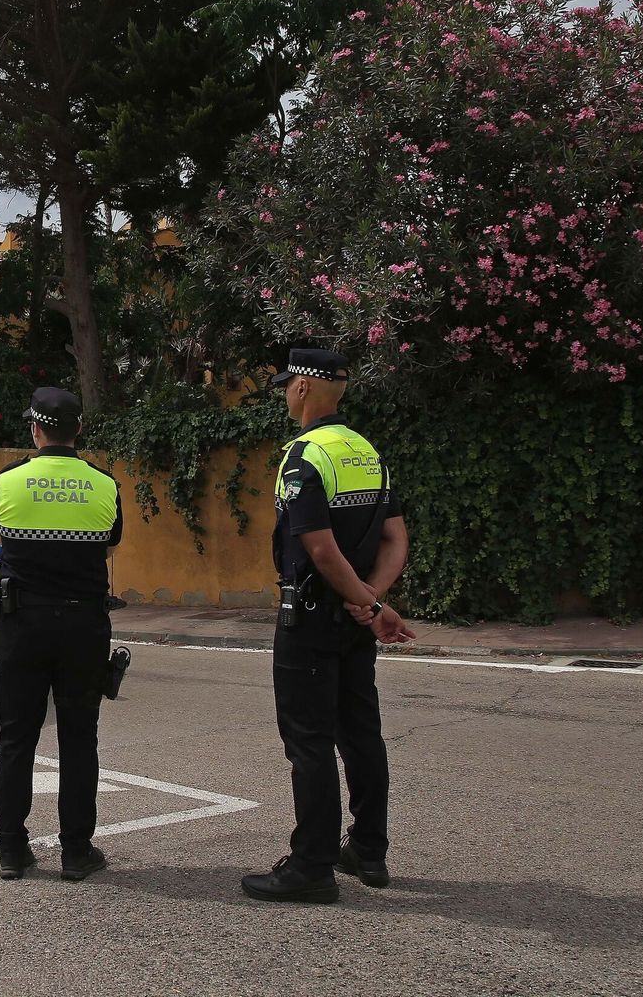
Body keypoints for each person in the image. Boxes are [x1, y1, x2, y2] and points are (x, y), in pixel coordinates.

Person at [242, 348, 416, 905]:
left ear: (302, 390)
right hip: (352, 620)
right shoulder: (367, 453)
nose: (285, 393)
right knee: (360, 730)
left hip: (314, 615)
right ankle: (368, 849)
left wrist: (365, 602)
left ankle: (311, 865)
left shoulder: (303, 457)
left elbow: (319, 549)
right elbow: (395, 542)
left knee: (309, 741)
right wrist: (371, 603)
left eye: (288, 384)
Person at [0, 386, 123, 882]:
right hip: (85, 625)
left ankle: (11, 850)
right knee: (80, 739)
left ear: (35, 429)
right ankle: (76, 851)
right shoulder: (105, 485)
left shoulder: (6, 483)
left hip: (24, 624)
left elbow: (1, 538)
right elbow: (107, 547)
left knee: (17, 737)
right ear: (79, 429)